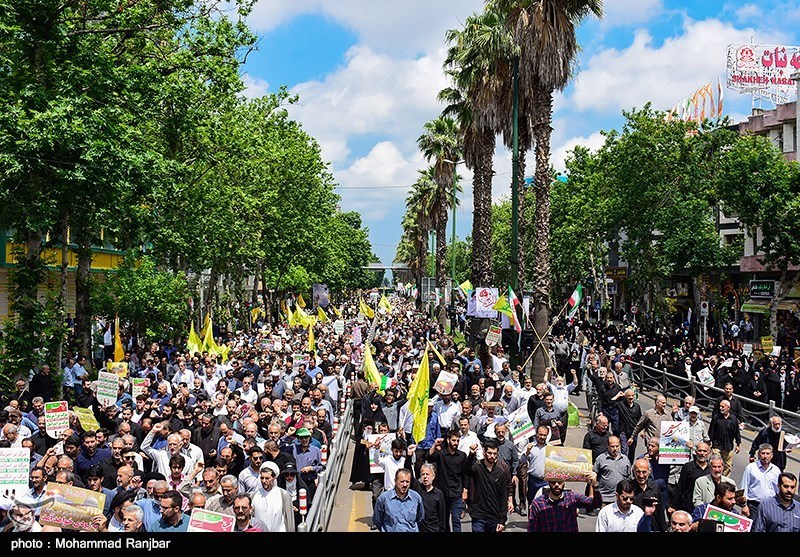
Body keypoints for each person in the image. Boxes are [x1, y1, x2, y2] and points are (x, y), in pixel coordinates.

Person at [425, 429, 473, 532]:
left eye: (457, 441)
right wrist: (434, 445)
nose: (455, 443)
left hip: (456, 492)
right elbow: (429, 457)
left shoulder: (462, 455)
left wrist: (465, 490)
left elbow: (465, 474)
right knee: (444, 520)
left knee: (456, 519)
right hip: (443, 492)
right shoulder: (441, 454)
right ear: (448, 440)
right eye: (453, 440)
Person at [465, 438, 512, 532]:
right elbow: (466, 470)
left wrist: (502, 520)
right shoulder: (477, 468)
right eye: (489, 453)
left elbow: (503, 497)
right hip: (478, 515)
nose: (492, 456)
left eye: (494, 454)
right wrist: (471, 454)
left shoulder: (500, 472)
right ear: (484, 452)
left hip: (494, 516)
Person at [528, 472, 601, 532]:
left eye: (559, 482)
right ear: (548, 482)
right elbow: (532, 528)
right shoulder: (538, 504)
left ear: (564, 482)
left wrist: (595, 485)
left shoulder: (571, 497)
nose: (556, 485)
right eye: (553, 482)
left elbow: (594, 503)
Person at [372, 468, 424, 532]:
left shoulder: (416, 498)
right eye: (402, 481)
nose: (405, 485)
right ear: (395, 481)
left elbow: (420, 519)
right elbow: (377, 520)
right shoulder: (383, 499)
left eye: (407, 482)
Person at [251, 461, 295, 532]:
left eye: (267, 478)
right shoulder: (254, 495)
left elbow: (289, 519)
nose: (264, 481)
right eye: (262, 478)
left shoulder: (283, 495)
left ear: (274, 478)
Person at [670, 441, 711, 513]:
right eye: (700, 450)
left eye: (704, 451)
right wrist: (673, 505)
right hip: (689, 507)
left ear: (708, 453)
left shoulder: (712, 469)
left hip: (707, 508)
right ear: (695, 452)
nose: (702, 453)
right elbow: (680, 487)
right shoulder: (688, 467)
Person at [741, 443, 781, 515]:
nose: (765, 456)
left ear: (771, 455)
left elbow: (778, 490)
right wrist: (744, 506)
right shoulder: (751, 468)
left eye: (768, 454)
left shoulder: (776, 470)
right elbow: (744, 488)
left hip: (771, 506)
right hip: (754, 506)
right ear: (759, 454)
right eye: (763, 453)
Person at [593, 436, 631, 506]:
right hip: (605, 498)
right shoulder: (601, 459)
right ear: (607, 446)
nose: (615, 449)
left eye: (617, 446)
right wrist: (595, 491)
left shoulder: (625, 459)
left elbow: (629, 477)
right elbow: (593, 476)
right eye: (612, 446)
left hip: (621, 498)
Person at [707, 399, 741, 477]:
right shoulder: (716, 418)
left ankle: (725, 480)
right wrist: (709, 443)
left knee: (728, 466)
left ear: (728, 408)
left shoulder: (733, 419)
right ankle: (714, 477)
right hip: (717, 446)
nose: (721, 408)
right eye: (720, 406)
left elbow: (737, 432)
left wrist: (738, 444)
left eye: (723, 407)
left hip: (728, 446)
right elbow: (711, 431)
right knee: (715, 463)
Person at [412, 462, 447, 532]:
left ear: (433, 476)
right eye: (423, 474)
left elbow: (442, 517)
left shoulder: (438, 494)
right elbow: (409, 474)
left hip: (434, 529)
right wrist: (409, 456)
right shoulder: (418, 489)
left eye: (427, 474)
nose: (425, 477)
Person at [616, 388, 642, 463]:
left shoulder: (637, 406)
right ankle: (624, 464)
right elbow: (610, 403)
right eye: (629, 396)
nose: (631, 397)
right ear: (625, 396)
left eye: (632, 395)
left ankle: (629, 465)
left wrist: (642, 430)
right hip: (623, 431)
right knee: (624, 450)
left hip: (633, 433)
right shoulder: (621, 404)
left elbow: (640, 420)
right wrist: (618, 395)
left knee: (632, 450)